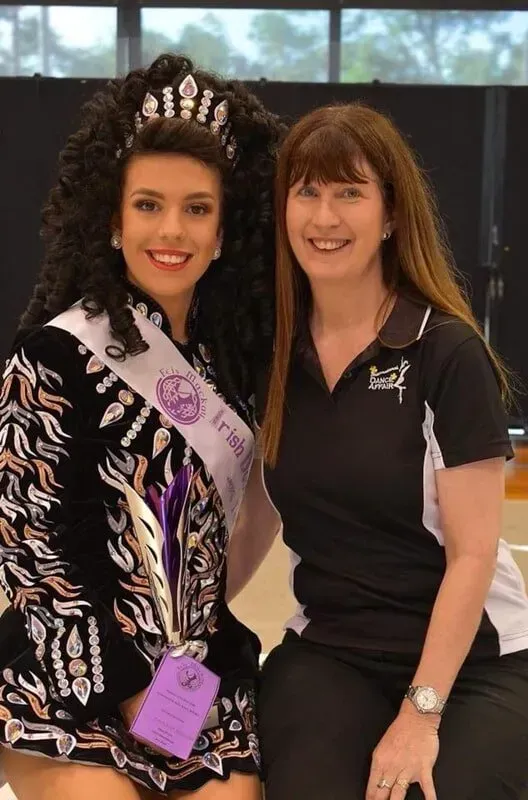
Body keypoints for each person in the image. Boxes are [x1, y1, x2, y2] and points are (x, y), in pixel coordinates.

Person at [0, 53, 283, 800]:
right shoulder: (54, 353)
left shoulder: (236, 370)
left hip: (192, 675)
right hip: (70, 673)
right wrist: (128, 692)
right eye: (149, 205)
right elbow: (31, 550)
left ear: (223, 232)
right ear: (113, 222)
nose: (173, 231)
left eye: (197, 209)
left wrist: (172, 700)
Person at [257, 102, 528, 800]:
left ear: (390, 216)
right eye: (307, 191)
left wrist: (420, 714)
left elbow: (472, 554)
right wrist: (180, 635)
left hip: (475, 662)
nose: (324, 217)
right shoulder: (270, 354)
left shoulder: (446, 352)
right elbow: (253, 513)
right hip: (332, 650)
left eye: (349, 192)